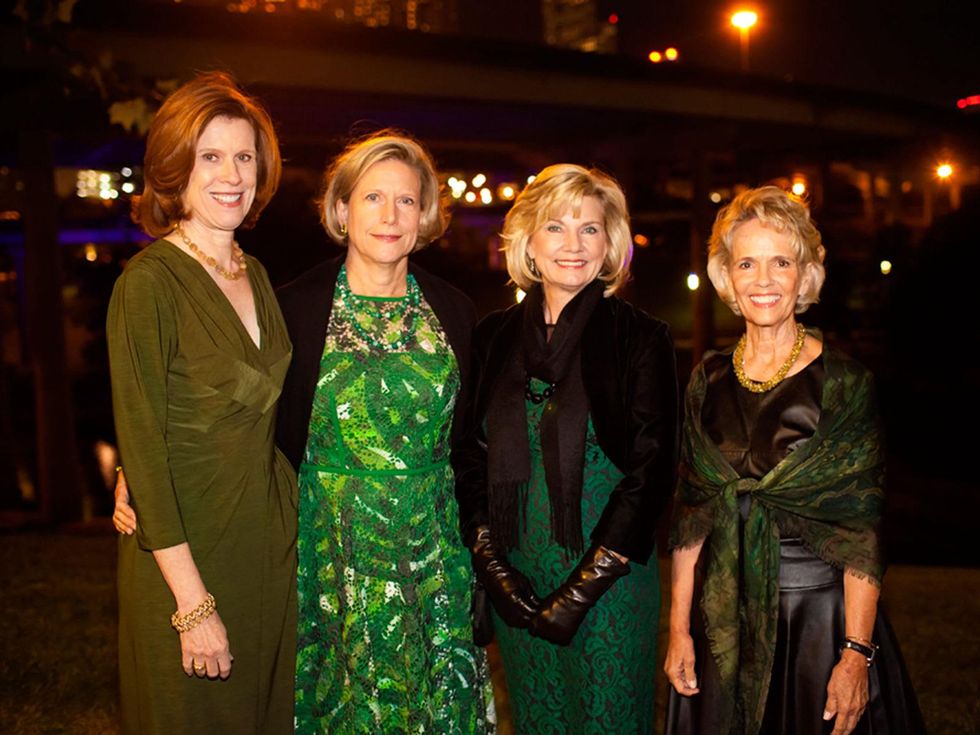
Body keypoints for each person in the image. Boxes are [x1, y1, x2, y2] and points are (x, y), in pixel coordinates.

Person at [664, 186, 924, 735]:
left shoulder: (844, 383)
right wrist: (679, 628)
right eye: (747, 263)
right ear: (726, 276)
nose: (763, 280)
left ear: (804, 275)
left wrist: (855, 653)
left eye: (780, 262)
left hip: (817, 622)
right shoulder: (704, 380)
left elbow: (861, 531)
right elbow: (690, 517)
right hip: (722, 619)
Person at [273, 131, 495, 733]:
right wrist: (138, 469)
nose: (390, 216)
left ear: (425, 214)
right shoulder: (292, 308)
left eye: (406, 200)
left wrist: (482, 547)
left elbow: (474, 445)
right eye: (373, 198)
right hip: (329, 559)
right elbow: (240, 419)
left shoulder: (454, 310)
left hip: (434, 557)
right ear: (342, 209)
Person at [455, 164, 678, 733]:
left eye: (590, 229)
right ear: (528, 241)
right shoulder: (494, 335)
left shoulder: (640, 336)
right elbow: (470, 457)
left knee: (609, 722)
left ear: (611, 245)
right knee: (537, 722)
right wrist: (494, 570)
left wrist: (581, 591)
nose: (572, 245)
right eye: (555, 227)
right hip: (519, 576)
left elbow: (653, 471)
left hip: (609, 585)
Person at [107, 73, 296, 734]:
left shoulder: (256, 272)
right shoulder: (148, 284)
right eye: (210, 156)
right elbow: (145, 449)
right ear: (175, 168)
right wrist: (192, 605)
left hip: (268, 548)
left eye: (243, 156)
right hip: (185, 557)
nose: (230, 174)